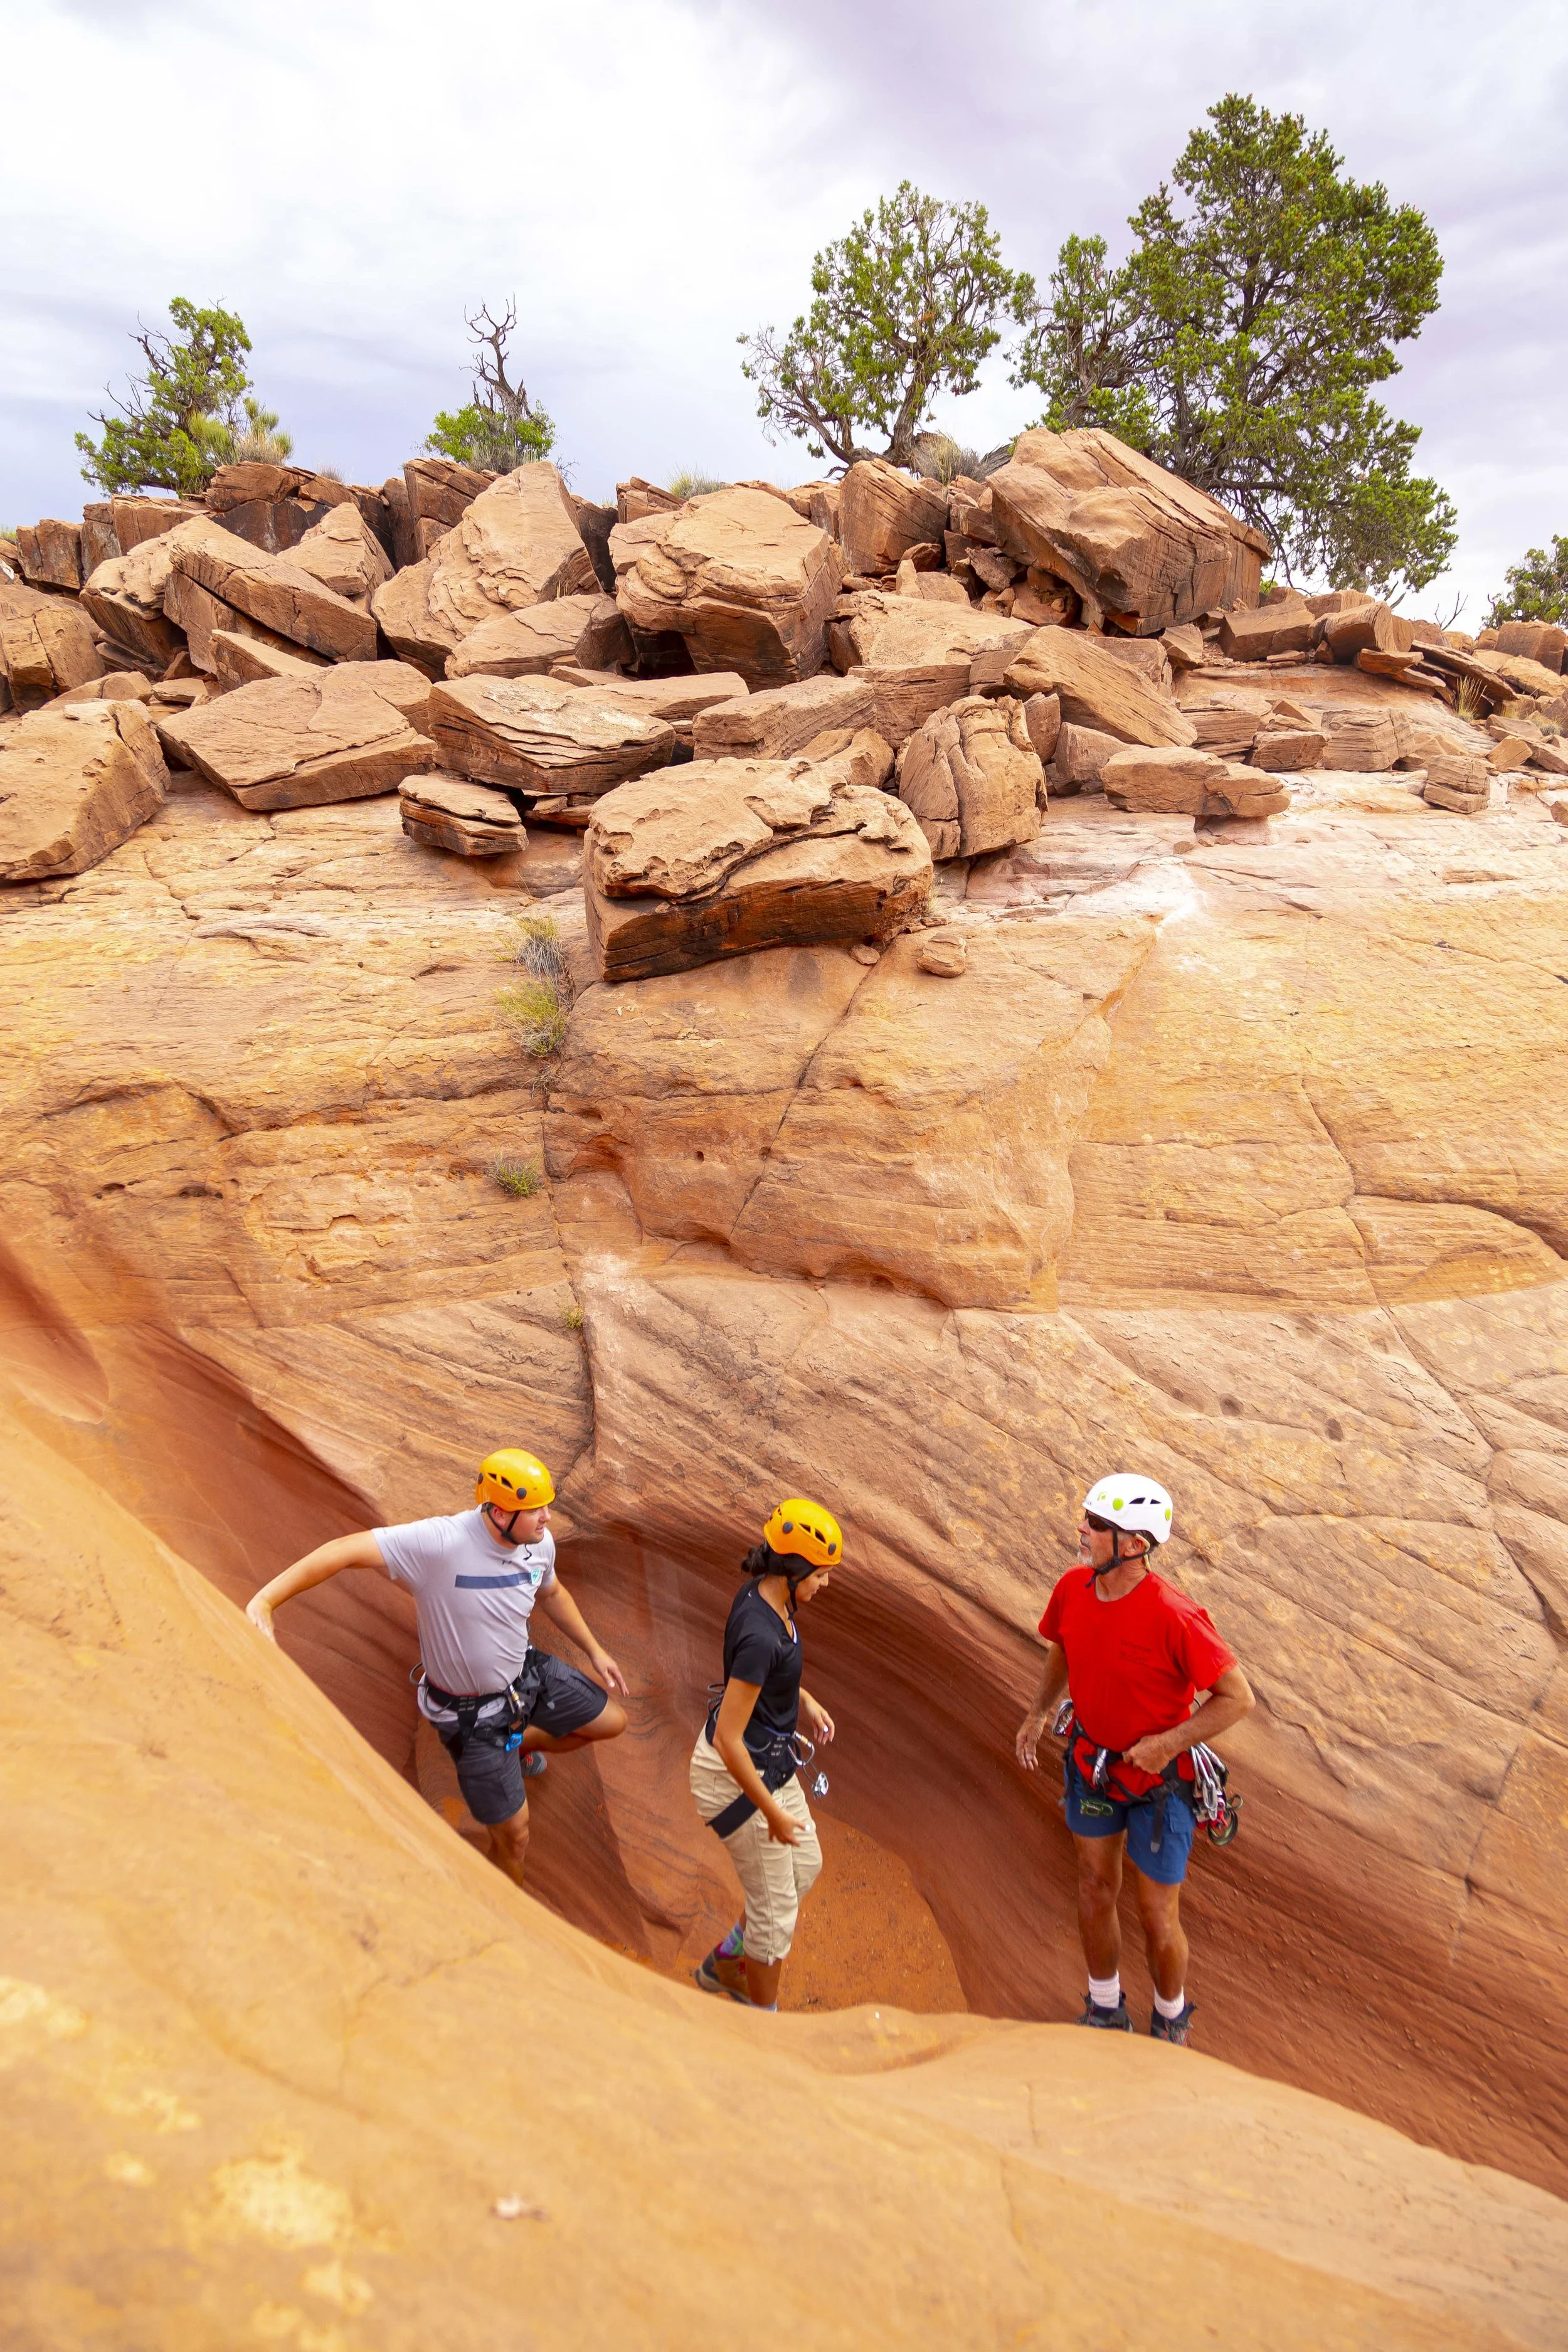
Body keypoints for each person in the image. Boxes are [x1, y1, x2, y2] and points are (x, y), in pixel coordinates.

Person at [246, 1448, 628, 1889]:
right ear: (501, 1512)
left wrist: (595, 1650)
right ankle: (507, 1914)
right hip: (474, 1717)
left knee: (610, 1722)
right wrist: (265, 1601)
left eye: (546, 1505)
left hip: (527, 1674)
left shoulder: (538, 1545)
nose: (547, 1518)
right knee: (515, 1836)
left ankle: (519, 1744)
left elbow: (553, 1593)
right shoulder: (441, 1544)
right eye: (535, 1510)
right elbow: (342, 1551)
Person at [1014, 1474, 1254, 2045]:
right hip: (1094, 1766)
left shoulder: (1175, 1615)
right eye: (1089, 1519)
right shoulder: (1073, 1588)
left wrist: (1169, 1744)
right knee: (1095, 1888)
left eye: (1096, 1525)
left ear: (1134, 1545)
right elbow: (1062, 1647)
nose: (1082, 1530)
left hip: (1159, 1785)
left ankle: (1169, 2018)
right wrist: (1038, 1711)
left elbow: (1238, 1698)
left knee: (1156, 1913)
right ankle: (1104, 2008)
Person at [689, 1498, 842, 2012]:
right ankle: (762, 2027)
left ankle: (727, 1961)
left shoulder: (767, 1600)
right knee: (776, 1917)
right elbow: (728, 1740)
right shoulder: (760, 1633)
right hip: (737, 1778)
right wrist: (772, 1812)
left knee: (807, 1865)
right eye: (821, 1576)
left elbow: (762, 1678)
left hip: (768, 1764)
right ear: (795, 1571)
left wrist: (805, 1698)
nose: (825, 1585)